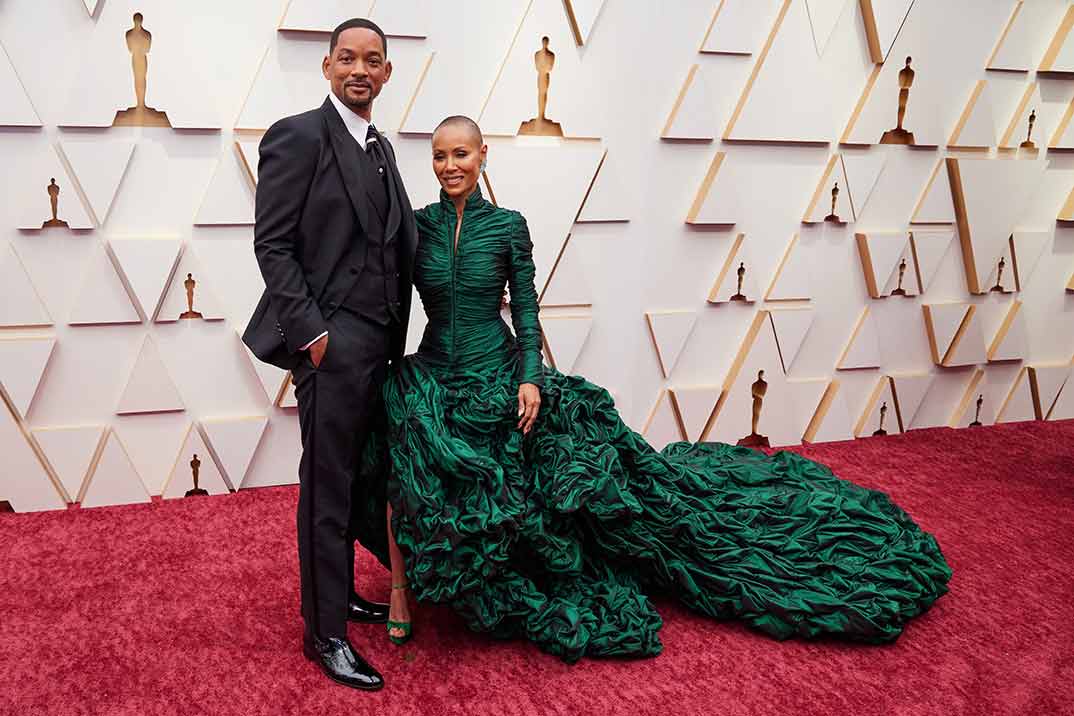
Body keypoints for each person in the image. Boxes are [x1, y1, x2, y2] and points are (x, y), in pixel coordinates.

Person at [371, 116, 951, 663]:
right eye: (441, 156)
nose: (451, 165)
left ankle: (536, 569)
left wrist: (530, 375)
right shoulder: (417, 225)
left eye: (461, 154)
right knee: (403, 458)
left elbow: (526, 308)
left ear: (482, 156)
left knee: (548, 475)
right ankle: (400, 589)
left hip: (500, 370)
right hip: (436, 372)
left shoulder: (508, 226)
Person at [243, 18, 416, 690]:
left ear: (387, 72)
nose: (360, 70)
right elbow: (273, 246)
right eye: (348, 58)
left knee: (354, 479)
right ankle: (326, 637)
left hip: (380, 344)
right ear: (326, 65)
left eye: (373, 59)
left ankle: (339, 595)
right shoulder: (299, 135)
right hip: (332, 346)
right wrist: (313, 335)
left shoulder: (381, 148)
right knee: (326, 486)